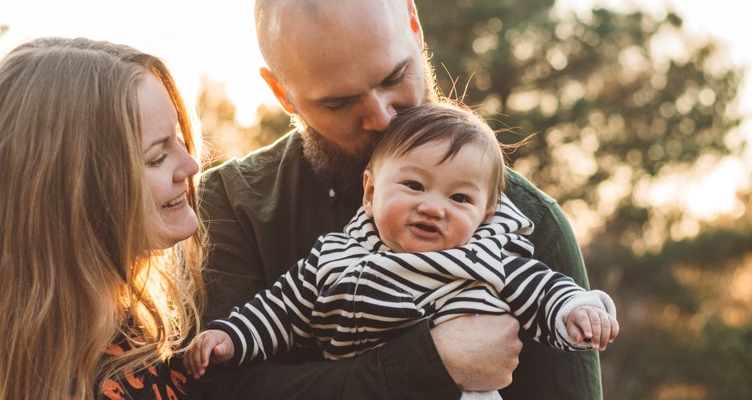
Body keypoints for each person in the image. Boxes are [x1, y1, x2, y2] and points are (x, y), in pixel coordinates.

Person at [198, 0, 603, 399]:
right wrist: (431, 362)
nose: (383, 117)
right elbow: (223, 391)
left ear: (415, 27)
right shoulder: (230, 204)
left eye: (395, 78)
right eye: (339, 102)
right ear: (282, 92)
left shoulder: (528, 221)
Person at [188, 103, 619, 400]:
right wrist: (230, 338)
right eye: (413, 186)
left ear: (486, 214)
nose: (433, 207)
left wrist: (576, 311)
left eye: (460, 199)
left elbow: (545, 292)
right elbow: (279, 311)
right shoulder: (333, 257)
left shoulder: (488, 258)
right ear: (371, 191)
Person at [0, 37, 206, 400]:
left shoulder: (118, 324)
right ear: (75, 192)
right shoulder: (80, 381)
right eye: (157, 157)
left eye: (178, 139)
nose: (191, 165)